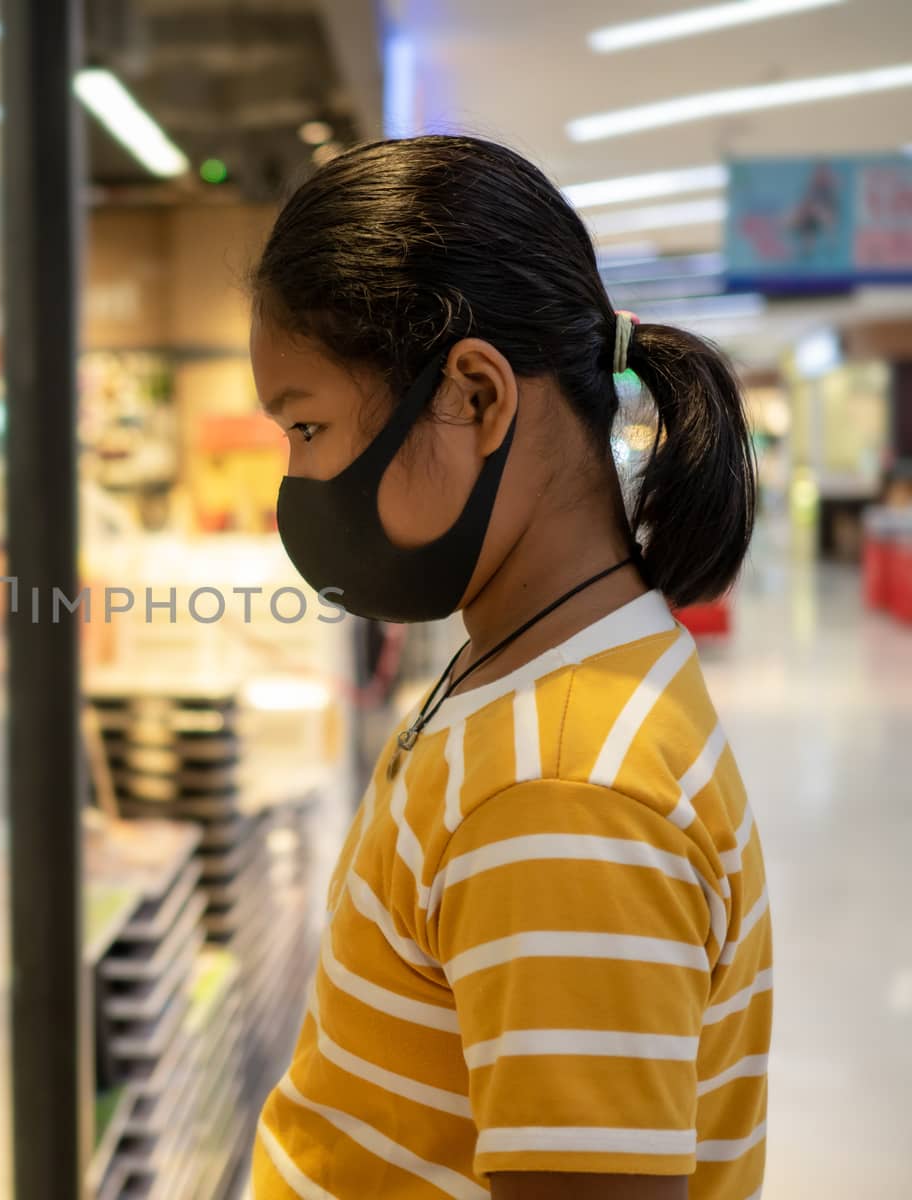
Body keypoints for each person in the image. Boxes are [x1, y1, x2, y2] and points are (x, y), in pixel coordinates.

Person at [251, 136, 770, 1200]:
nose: (296, 477)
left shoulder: (557, 795)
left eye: (306, 425)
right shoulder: (539, 669)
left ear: (476, 396)